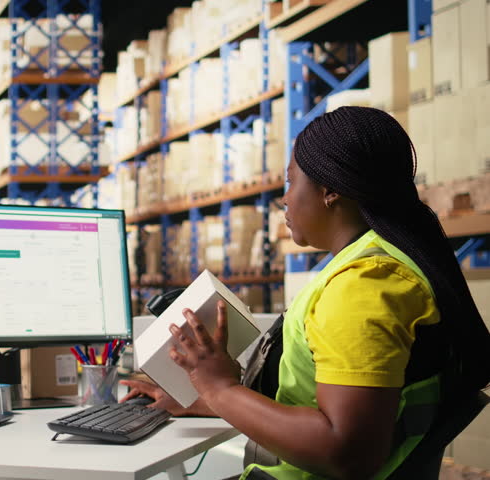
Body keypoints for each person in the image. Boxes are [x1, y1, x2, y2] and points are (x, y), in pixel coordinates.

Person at [121, 106, 490, 479]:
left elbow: (345, 451)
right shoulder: (376, 264)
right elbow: (320, 404)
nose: (285, 199)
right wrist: (202, 399)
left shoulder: (363, 285)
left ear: (330, 191)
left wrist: (221, 389)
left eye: (291, 182)